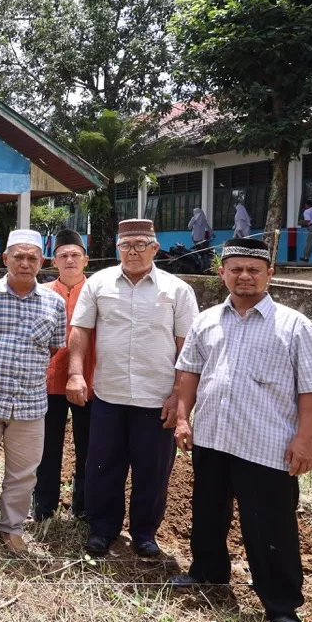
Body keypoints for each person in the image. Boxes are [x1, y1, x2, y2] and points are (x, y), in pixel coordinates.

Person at [169, 237, 312, 622]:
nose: (244, 276)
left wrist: (305, 439)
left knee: (270, 525)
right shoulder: (207, 320)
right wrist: (181, 418)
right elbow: (189, 373)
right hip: (213, 435)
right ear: (223, 273)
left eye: (253, 270)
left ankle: (281, 607)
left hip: (266, 444)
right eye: (236, 269)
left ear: (269, 274)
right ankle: (208, 573)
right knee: (208, 509)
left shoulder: (293, 325)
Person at [68, 219, 198, 558]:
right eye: (126, 245)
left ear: (155, 248)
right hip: (108, 395)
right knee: (102, 466)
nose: (133, 251)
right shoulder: (98, 283)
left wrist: (178, 396)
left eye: (141, 244)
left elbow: (188, 348)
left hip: (157, 399)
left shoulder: (177, 290)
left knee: (152, 471)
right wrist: (76, 374)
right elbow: (80, 331)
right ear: (117, 249)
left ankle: (144, 533)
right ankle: (102, 529)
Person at [0, 229, 66, 553]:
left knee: (23, 472)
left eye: (32, 257)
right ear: (5, 259)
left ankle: (11, 526)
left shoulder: (54, 303)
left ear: (41, 262)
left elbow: (53, 347)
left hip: (30, 404)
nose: (25, 263)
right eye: (18, 256)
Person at [32, 229, 95, 522]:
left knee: (88, 448)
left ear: (85, 260)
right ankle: (44, 509)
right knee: (46, 449)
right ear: (53, 262)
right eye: (63, 256)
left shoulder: (99, 292)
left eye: (75, 255)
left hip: (89, 382)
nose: (69, 260)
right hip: (47, 382)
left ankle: (83, 508)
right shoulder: (41, 292)